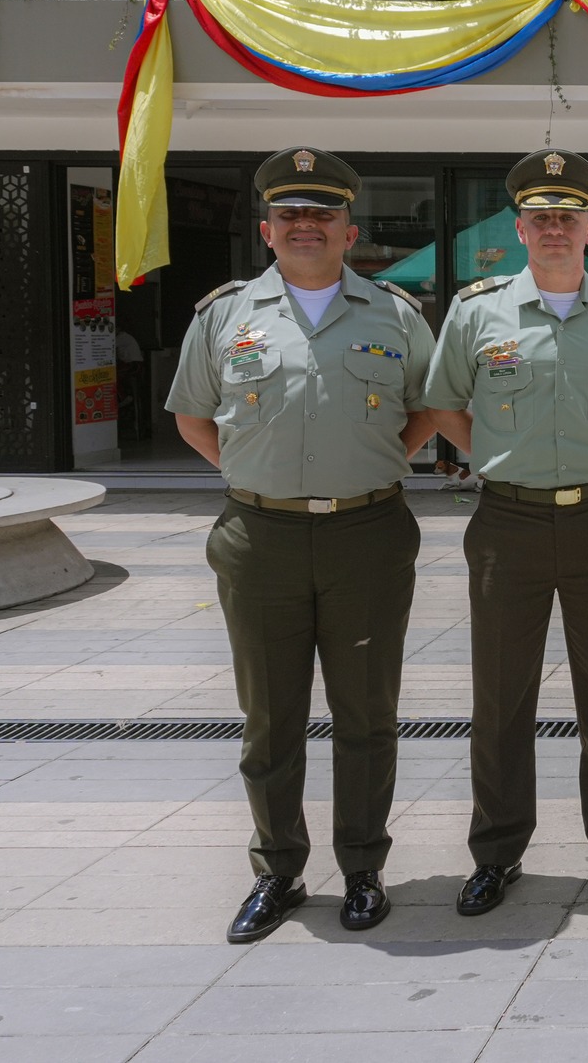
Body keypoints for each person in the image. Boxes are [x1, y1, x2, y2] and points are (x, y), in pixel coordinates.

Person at [166, 148, 437, 944]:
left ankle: (362, 867)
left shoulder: (396, 314)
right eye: (290, 214)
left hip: (366, 534)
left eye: (322, 213)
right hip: (262, 538)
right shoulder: (224, 315)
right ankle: (278, 869)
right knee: (270, 716)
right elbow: (192, 415)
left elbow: (428, 406)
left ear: (350, 229)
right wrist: (256, 474)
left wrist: (372, 464)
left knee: (367, 713)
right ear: (267, 230)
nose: (305, 225)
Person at [423, 149, 588, 913]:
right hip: (509, 522)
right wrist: (503, 456)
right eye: (540, 217)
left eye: (568, 216)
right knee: (502, 695)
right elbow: (444, 404)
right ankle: (497, 852)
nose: (554, 228)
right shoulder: (478, 311)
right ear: (520, 228)